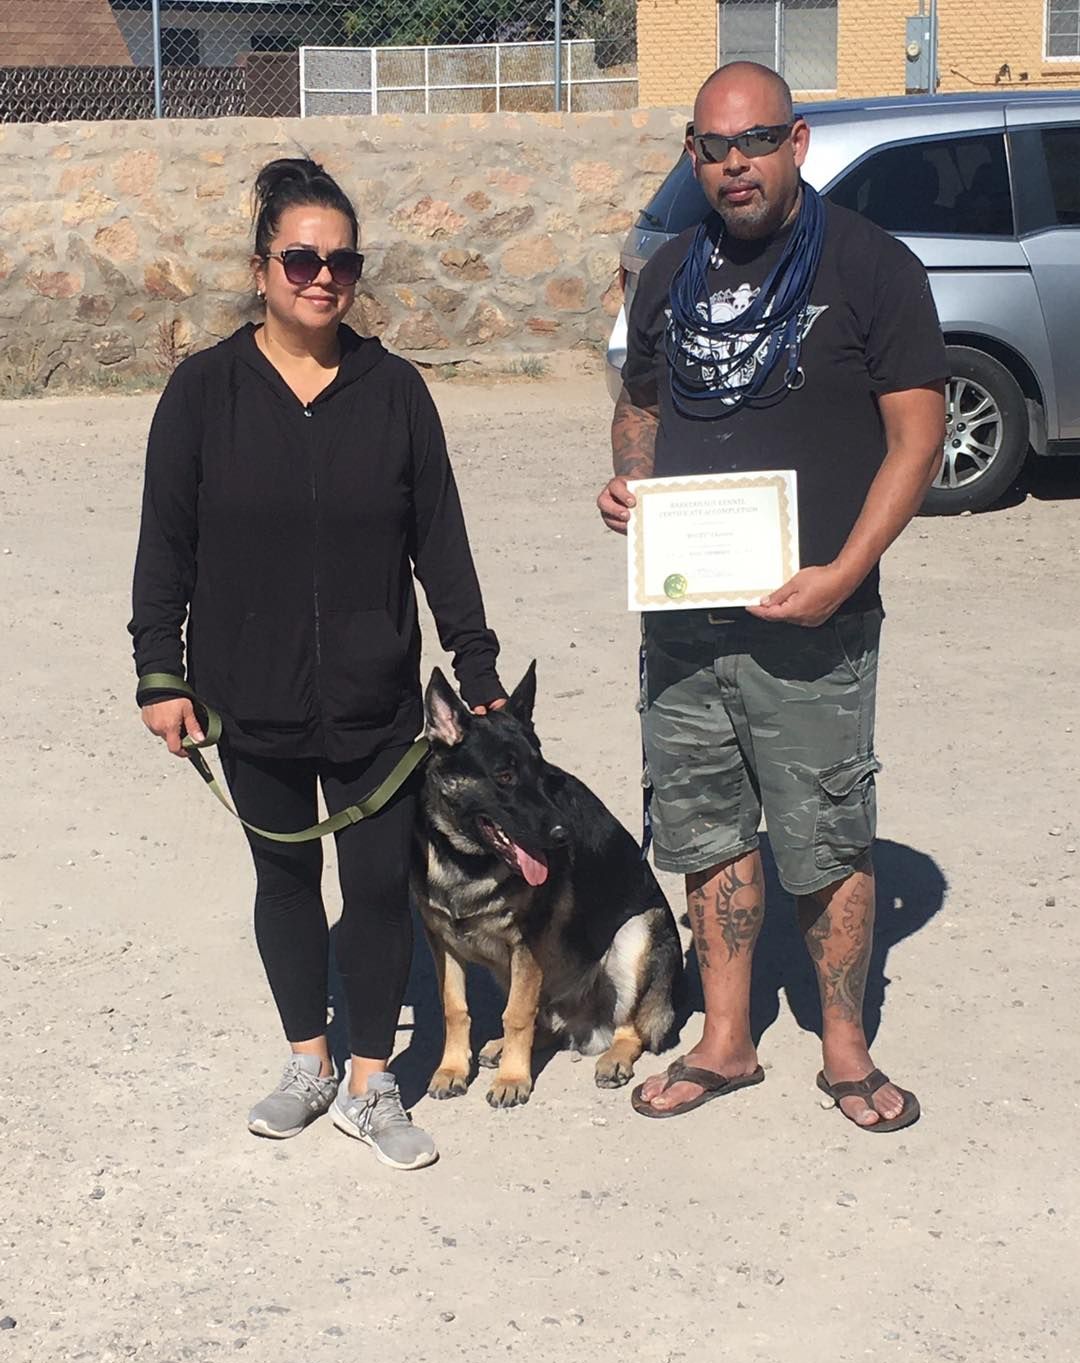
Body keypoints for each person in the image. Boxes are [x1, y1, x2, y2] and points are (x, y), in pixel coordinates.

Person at [130, 157, 505, 1169]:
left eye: (343, 261)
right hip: (247, 692)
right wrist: (161, 674)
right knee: (287, 877)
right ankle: (309, 1061)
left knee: (377, 886)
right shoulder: (203, 393)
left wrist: (477, 669)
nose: (323, 277)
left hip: (376, 697)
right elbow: (166, 546)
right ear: (261, 269)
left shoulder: (396, 393)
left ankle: (372, 1084)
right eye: (302, 259)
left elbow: (441, 542)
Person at [597, 63, 947, 1130]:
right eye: (714, 146)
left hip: (816, 615)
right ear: (693, 155)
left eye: (754, 141)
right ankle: (727, 1041)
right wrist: (632, 485)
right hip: (685, 622)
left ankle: (845, 1050)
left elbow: (918, 437)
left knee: (826, 834)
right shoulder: (670, 271)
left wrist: (845, 572)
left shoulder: (873, 266)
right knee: (706, 829)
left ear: (796, 143)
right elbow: (640, 403)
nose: (734, 164)